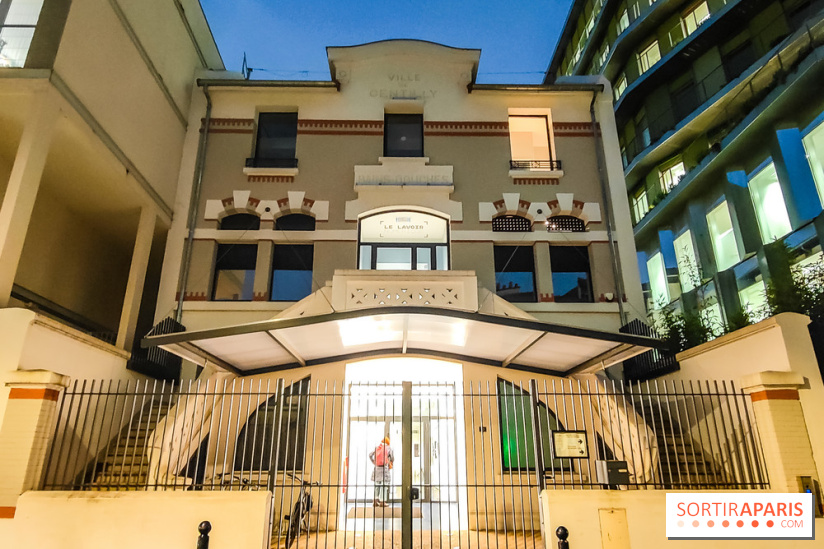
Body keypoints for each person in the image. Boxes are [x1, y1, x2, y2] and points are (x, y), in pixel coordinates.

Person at [369, 436, 394, 507]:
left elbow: (370, 455)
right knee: (384, 486)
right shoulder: (388, 448)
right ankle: (383, 502)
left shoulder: (378, 447)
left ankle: (375, 501)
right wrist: (390, 461)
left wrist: (374, 462)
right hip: (384, 470)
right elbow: (392, 457)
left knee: (377, 485)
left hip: (377, 469)